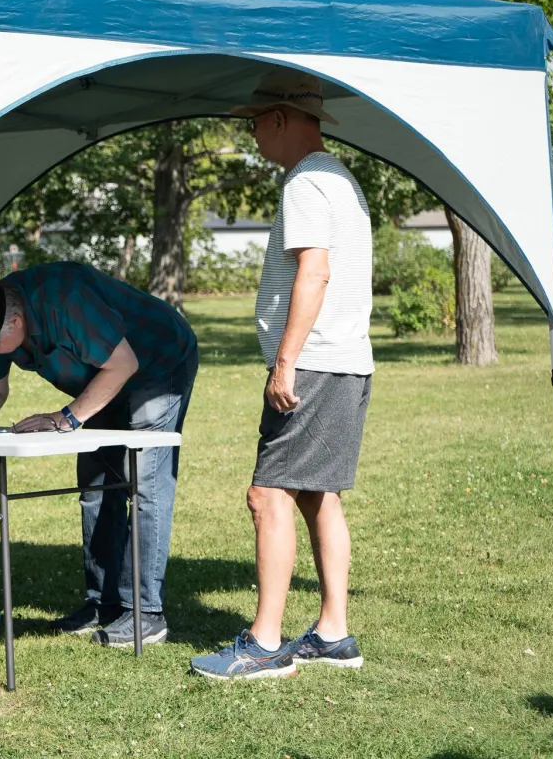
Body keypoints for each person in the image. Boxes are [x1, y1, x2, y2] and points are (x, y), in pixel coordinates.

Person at [191, 70, 372, 680]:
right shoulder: (340, 178)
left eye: (254, 122)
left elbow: (314, 273)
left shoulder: (304, 182)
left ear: (278, 118)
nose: (252, 134)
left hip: (313, 362)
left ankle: (264, 646)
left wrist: (286, 360)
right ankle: (334, 634)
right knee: (320, 496)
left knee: (268, 494)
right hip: (346, 361)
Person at [0, 263, 198, 647]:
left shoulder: (66, 301)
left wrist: (67, 417)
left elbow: (124, 364)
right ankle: (104, 604)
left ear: (15, 323)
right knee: (96, 486)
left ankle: (146, 614)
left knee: (144, 482)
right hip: (102, 377)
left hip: (157, 361)